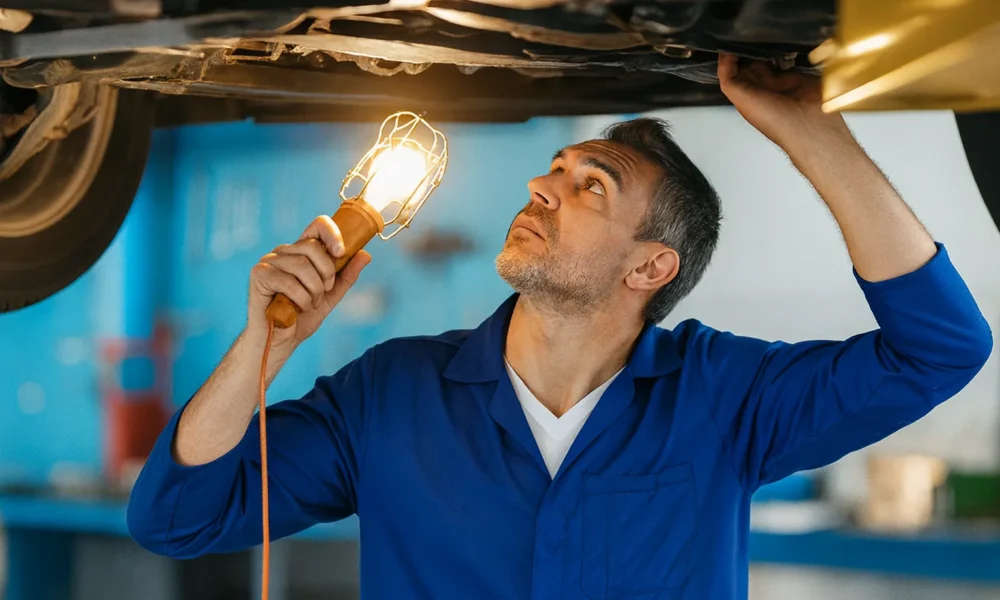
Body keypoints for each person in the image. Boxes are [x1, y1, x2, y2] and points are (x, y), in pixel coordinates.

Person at [127, 55, 993, 599]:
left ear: (650, 268)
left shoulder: (725, 398)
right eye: (553, 170)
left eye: (592, 186)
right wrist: (262, 350)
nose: (544, 188)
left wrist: (817, 139)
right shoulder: (389, 395)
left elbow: (940, 347)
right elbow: (177, 517)